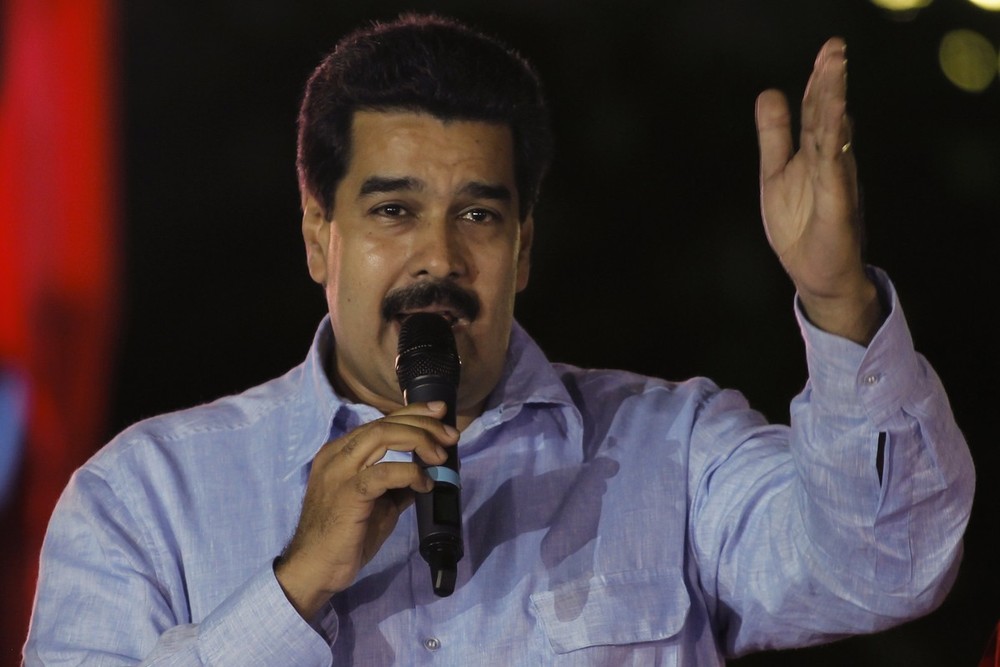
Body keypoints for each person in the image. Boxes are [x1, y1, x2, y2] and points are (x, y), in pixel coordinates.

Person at [24, 13, 974, 665]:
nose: (438, 257)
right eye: (393, 210)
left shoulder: (671, 452)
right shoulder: (144, 496)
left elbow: (887, 566)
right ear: (319, 234)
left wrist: (838, 300)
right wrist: (294, 585)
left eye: (477, 215)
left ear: (523, 247)